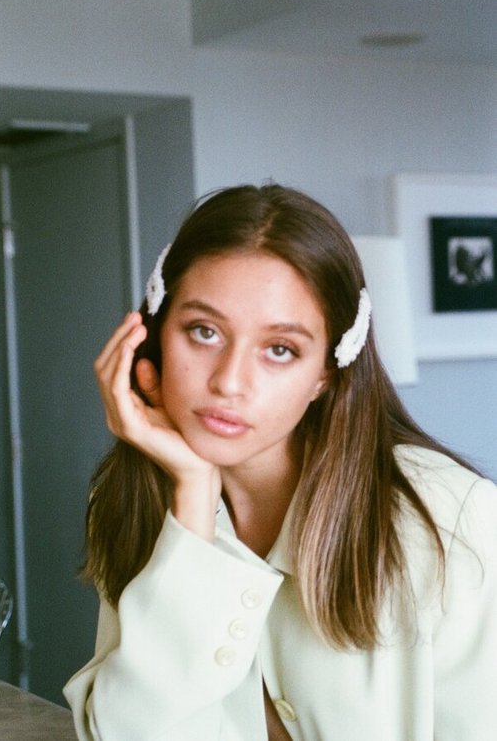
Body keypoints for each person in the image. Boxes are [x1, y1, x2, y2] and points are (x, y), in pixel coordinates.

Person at [64, 184, 497, 741]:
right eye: (204, 332)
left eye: (280, 350)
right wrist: (192, 498)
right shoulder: (133, 498)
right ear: (153, 337)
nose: (229, 382)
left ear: (326, 374)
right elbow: (125, 731)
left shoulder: (452, 518)